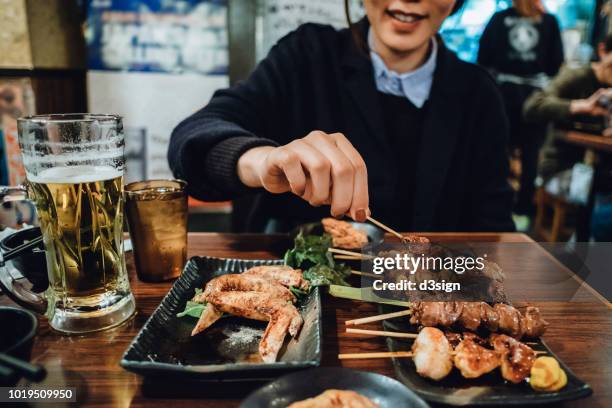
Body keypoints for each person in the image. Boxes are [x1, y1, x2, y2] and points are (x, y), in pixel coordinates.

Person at [168, 0, 514, 233]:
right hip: (303, 301)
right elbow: (193, 139)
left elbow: (494, 227)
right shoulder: (306, 55)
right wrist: (262, 161)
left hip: (427, 304)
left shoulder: (477, 93)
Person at [478, 0, 564, 225]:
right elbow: (556, 63)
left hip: (502, 95)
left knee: (498, 152)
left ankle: (495, 209)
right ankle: (524, 210)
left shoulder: (498, 19)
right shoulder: (549, 21)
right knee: (531, 154)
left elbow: (483, 57)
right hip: (534, 98)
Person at [524, 33, 612, 241]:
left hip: (601, 171)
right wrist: (581, 106)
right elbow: (531, 107)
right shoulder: (577, 78)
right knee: (603, 194)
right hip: (563, 168)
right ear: (602, 51)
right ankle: (585, 249)